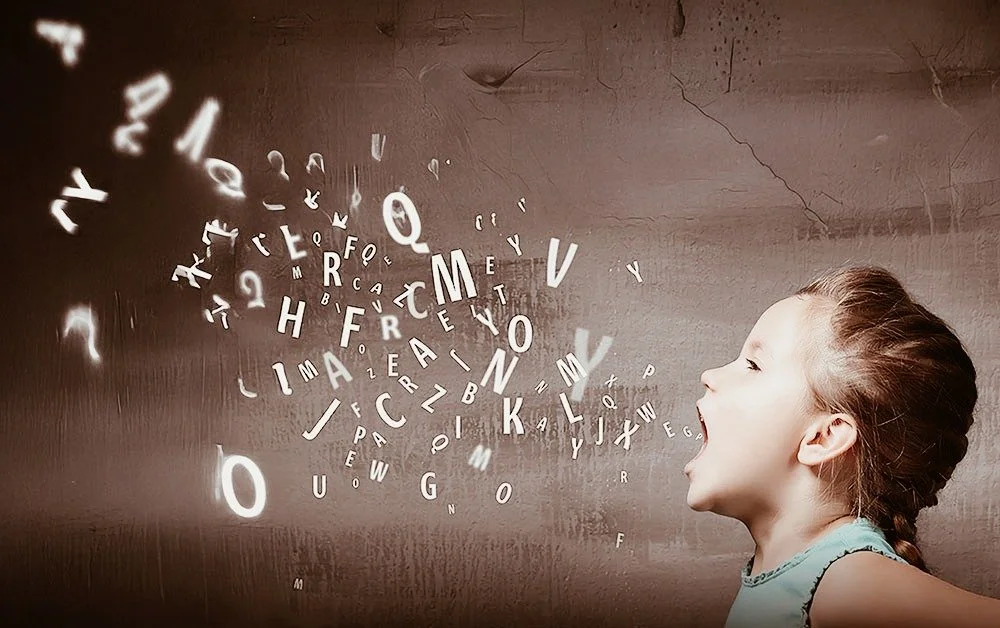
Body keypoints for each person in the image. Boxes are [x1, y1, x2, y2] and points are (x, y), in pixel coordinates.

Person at [683, 263, 1000, 627]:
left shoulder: (851, 584)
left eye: (753, 364)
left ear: (824, 437)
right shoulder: (796, 572)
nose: (709, 375)